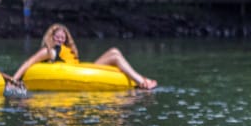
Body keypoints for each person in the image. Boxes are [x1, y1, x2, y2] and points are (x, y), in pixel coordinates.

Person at [10, 22, 158, 89]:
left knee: (115, 52)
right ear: (51, 37)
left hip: (83, 70)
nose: (60, 40)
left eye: (63, 37)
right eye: (57, 37)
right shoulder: (50, 51)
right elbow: (29, 62)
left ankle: (141, 79)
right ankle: (142, 82)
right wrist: (14, 80)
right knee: (115, 55)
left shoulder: (66, 49)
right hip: (76, 74)